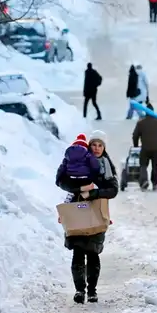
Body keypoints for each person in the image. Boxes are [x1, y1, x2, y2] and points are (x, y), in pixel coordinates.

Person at [56, 130, 118, 304]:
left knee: (93, 253)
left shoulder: (105, 164)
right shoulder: (76, 159)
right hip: (76, 210)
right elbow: (61, 181)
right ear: (88, 145)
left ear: (104, 147)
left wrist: (94, 192)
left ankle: (92, 291)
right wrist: (80, 189)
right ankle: (79, 291)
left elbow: (113, 190)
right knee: (77, 252)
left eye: (100, 145)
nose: (97, 148)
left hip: (96, 211)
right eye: (94, 144)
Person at [132, 103, 157, 191]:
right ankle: (155, 184)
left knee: (143, 165)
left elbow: (135, 135)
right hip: (156, 149)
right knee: (155, 166)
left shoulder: (141, 123)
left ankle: (144, 181)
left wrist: (135, 145)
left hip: (145, 148)